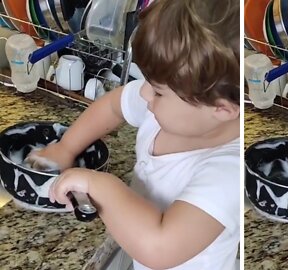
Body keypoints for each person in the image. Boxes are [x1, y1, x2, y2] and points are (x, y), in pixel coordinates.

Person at [26, 0, 240, 269]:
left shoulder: (229, 172)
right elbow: (114, 105)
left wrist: (99, 184)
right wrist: (67, 147)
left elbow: (159, 247)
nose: (145, 93)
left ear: (221, 109)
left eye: (159, 91)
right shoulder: (173, 108)